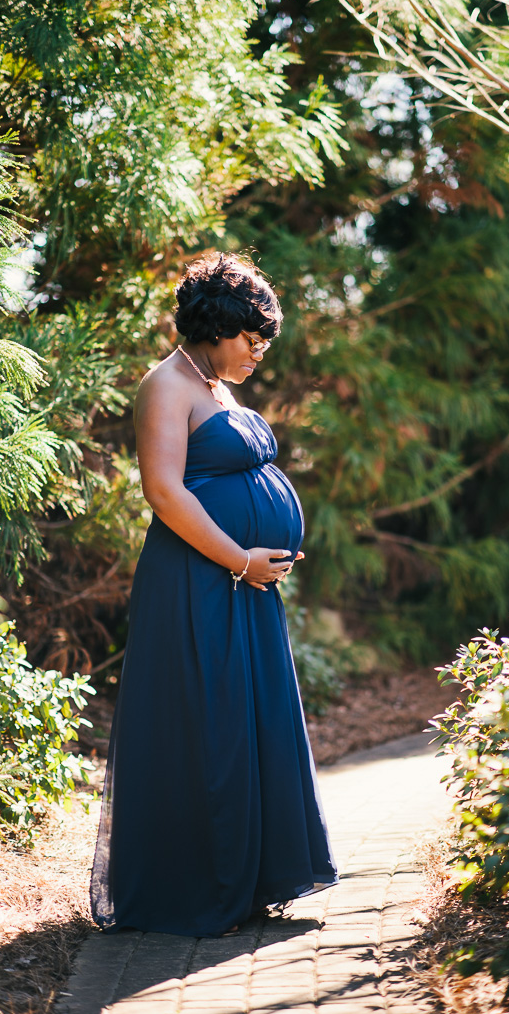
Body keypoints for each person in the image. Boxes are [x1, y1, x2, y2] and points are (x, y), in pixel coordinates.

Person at [90, 252, 338, 937]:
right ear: (215, 327)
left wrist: (256, 563)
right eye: (251, 340)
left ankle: (255, 878)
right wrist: (239, 559)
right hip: (199, 581)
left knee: (249, 722)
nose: (258, 353)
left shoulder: (218, 387)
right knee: (210, 726)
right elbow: (163, 490)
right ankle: (197, 888)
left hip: (244, 585)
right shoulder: (166, 385)